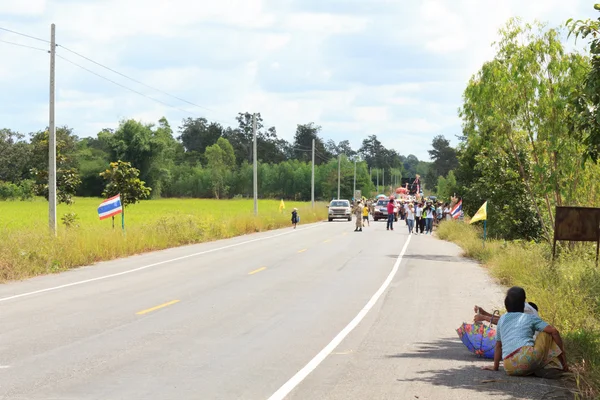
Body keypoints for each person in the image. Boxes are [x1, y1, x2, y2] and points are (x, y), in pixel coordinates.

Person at [483, 287, 568, 377]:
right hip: (528, 359)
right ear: (524, 305)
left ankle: (531, 368)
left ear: (506, 304)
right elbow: (554, 332)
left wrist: (495, 367)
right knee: (548, 332)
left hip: (509, 367)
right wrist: (563, 356)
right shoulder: (529, 318)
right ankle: (557, 365)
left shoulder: (502, 319)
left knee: (541, 338)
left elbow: (498, 346)